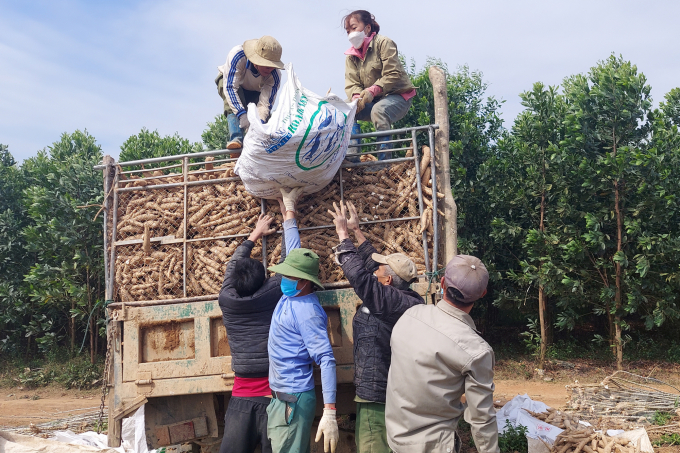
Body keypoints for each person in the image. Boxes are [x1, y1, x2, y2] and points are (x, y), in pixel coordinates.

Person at [328, 201, 424, 453]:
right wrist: (357, 232)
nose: (374, 272)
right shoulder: (404, 296)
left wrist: (343, 236)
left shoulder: (391, 302)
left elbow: (362, 279)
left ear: (388, 280)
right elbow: (372, 268)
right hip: (386, 390)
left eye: (380, 272)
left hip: (377, 394)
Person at [217, 187, 303, 453]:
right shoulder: (272, 293)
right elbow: (291, 261)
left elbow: (233, 266)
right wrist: (288, 214)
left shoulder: (227, 299)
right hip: (274, 394)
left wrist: (255, 234)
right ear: (264, 280)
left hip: (241, 395)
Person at [385, 255, 499, 453]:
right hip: (433, 446)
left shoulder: (410, 316)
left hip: (396, 440)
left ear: (443, 283)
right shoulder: (477, 351)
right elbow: (481, 419)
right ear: (483, 294)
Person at [266, 195, 340, 453]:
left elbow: (327, 359)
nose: (283, 277)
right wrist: (289, 213)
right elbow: (293, 251)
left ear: (304, 281)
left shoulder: (307, 311)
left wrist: (329, 411)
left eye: (289, 274)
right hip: (283, 399)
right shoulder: (292, 294)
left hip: (293, 402)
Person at [342, 10, 416, 162]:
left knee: (378, 110)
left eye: (354, 28)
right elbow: (352, 84)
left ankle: (384, 164)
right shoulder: (351, 57)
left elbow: (393, 74)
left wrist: (373, 90)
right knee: (346, 110)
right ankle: (352, 161)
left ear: (367, 28)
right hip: (373, 100)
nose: (351, 34)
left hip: (398, 97)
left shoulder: (384, 43)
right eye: (348, 31)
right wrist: (357, 98)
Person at [216, 36, 284, 152]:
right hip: (232, 84)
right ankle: (236, 140)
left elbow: (265, 104)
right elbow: (230, 88)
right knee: (233, 104)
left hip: (255, 91)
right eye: (267, 65)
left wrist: (258, 124)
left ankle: (257, 146)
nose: (269, 70)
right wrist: (242, 116)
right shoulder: (238, 56)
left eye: (272, 67)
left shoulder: (275, 76)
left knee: (264, 120)